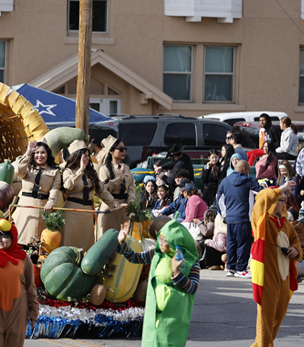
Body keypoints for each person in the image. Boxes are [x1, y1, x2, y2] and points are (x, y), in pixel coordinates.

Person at [116, 217, 200, 347]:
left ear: (174, 241)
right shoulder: (157, 254)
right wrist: (122, 243)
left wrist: (177, 273)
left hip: (173, 318)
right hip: (153, 314)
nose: (160, 243)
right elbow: (135, 257)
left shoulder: (191, 262)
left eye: (164, 240)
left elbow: (193, 288)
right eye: (159, 239)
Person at [249, 184, 302, 347]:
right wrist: (282, 188)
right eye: (279, 200)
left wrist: (294, 250)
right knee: (266, 316)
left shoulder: (286, 223)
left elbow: (296, 243)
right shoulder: (262, 221)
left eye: (284, 201)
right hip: (267, 277)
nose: (283, 204)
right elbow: (262, 199)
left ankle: (260, 344)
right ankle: (265, 345)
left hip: (284, 277)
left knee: (278, 316)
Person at [0, 219, 39, 347]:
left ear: (13, 238)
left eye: (3, 236)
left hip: (17, 314)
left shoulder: (23, 258)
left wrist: (33, 312)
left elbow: (30, 287)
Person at [61, 140, 118, 250]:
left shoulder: (91, 173)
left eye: (88, 156)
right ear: (77, 157)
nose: (88, 159)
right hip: (71, 212)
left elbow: (102, 190)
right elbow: (68, 185)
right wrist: (80, 170)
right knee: (70, 244)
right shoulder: (68, 171)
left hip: (87, 212)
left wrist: (114, 204)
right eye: (85, 156)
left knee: (86, 245)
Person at [217, 160, 261, 278]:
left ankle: (230, 268)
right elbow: (260, 192)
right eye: (248, 170)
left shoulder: (224, 181)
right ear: (244, 170)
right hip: (244, 218)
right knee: (243, 243)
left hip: (230, 219)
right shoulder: (249, 180)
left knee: (231, 243)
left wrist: (225, 215)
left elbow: (219, 200)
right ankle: (241, 269)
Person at [12, 141, 61, 246]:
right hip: (25, 206)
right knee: (20, 237)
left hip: (42, 207)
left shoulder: (55, 171)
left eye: (43, 152)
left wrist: (51, 202)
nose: (40, 155)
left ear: (48, 154)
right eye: (37, 152)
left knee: (37, 241)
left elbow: (55, 189)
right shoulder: (27, 167)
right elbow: (18, 171)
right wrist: (28, 153)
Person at [96, 136, 134, 239]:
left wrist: (131, 202)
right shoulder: (104, 169)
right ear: (111, 151)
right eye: (120, 149)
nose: (123, 152)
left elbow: (131, 187)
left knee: (124, 240)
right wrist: (119, 179)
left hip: (124, 209)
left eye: (124, 149)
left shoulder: (126, 168)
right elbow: (103, 189)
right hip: (109, 208)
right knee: (106, 240)